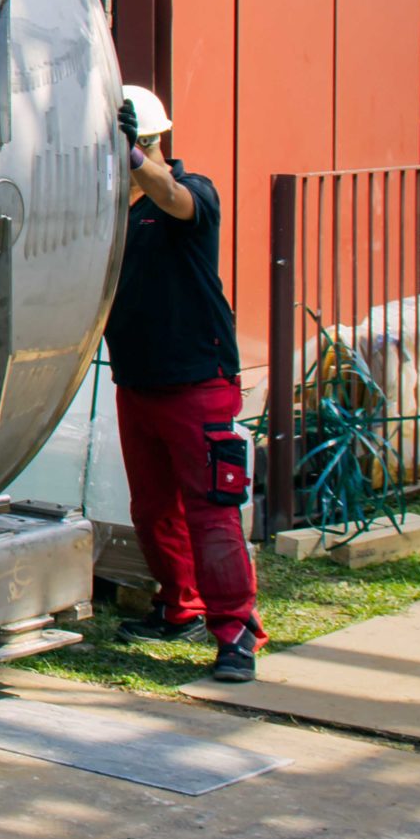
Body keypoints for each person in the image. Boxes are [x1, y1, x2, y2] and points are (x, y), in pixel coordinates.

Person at [104, 87, 263, 685]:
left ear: (149, 144)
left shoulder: (191, 193)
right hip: (139, 381)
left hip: (198, 381)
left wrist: (137, 162)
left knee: (212, 511)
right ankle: (181, 608)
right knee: (151, 508)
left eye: (128, 151)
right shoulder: (113, 214)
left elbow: (173, 198)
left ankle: (235, 635)